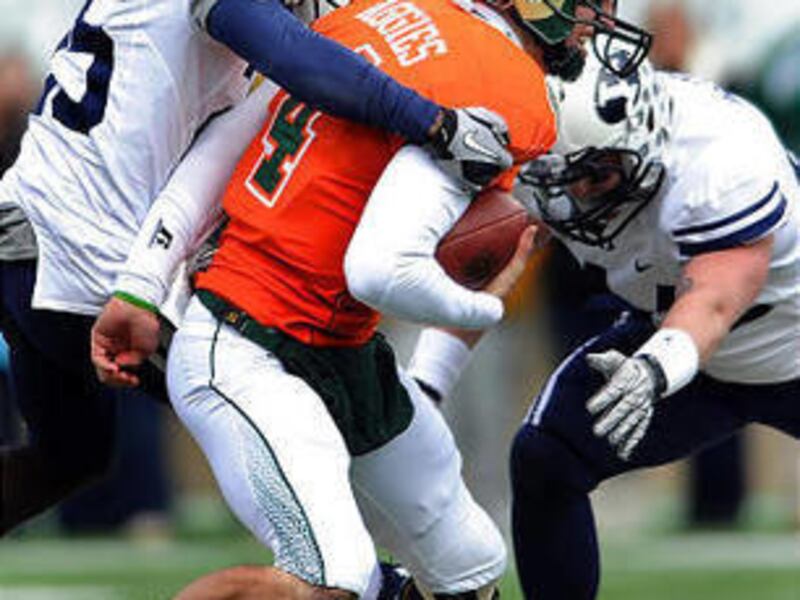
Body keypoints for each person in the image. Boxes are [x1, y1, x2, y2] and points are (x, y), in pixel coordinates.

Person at [89, 1, 652, 598]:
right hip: (249, 344)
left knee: (471, 566)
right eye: (589, 1)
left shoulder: (376, 10)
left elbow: (225, 146)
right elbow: (379, 271)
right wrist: (485, 305)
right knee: (335, 579)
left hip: (339, 348)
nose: (597, 19)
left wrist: (142, 282)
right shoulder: (507, 84)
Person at [0, 0, 523, 536]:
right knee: (318, 410)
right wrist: (433, 121)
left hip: (31, 230)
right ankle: (360, 573)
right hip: (80, 254)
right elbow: (297, 58)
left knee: (71, 455)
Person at [406, 53, 800, 599]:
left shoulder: (722, 159)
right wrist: (426, 384)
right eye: (566, 177)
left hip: (771, 336)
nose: (579, 194)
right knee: (548, 457)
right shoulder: (560, 153)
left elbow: (714, 301)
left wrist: (652, 369)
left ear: (645, 139)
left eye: (597, 175)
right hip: (679, 341)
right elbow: (489, 272)